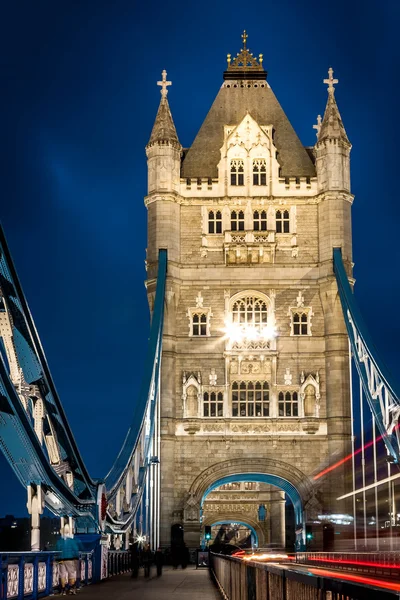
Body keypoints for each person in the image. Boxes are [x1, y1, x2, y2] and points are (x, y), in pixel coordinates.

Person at [55, 524, 80, 595]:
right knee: (71, 574)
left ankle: (63, 590)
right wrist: (76, 557)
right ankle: (72, 588)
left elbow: (56, 550)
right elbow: (76, 550)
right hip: (70, 559)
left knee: (62, 574)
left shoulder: (59, 541)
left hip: (61, 559)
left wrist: (57, 558)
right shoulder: (72, 541)